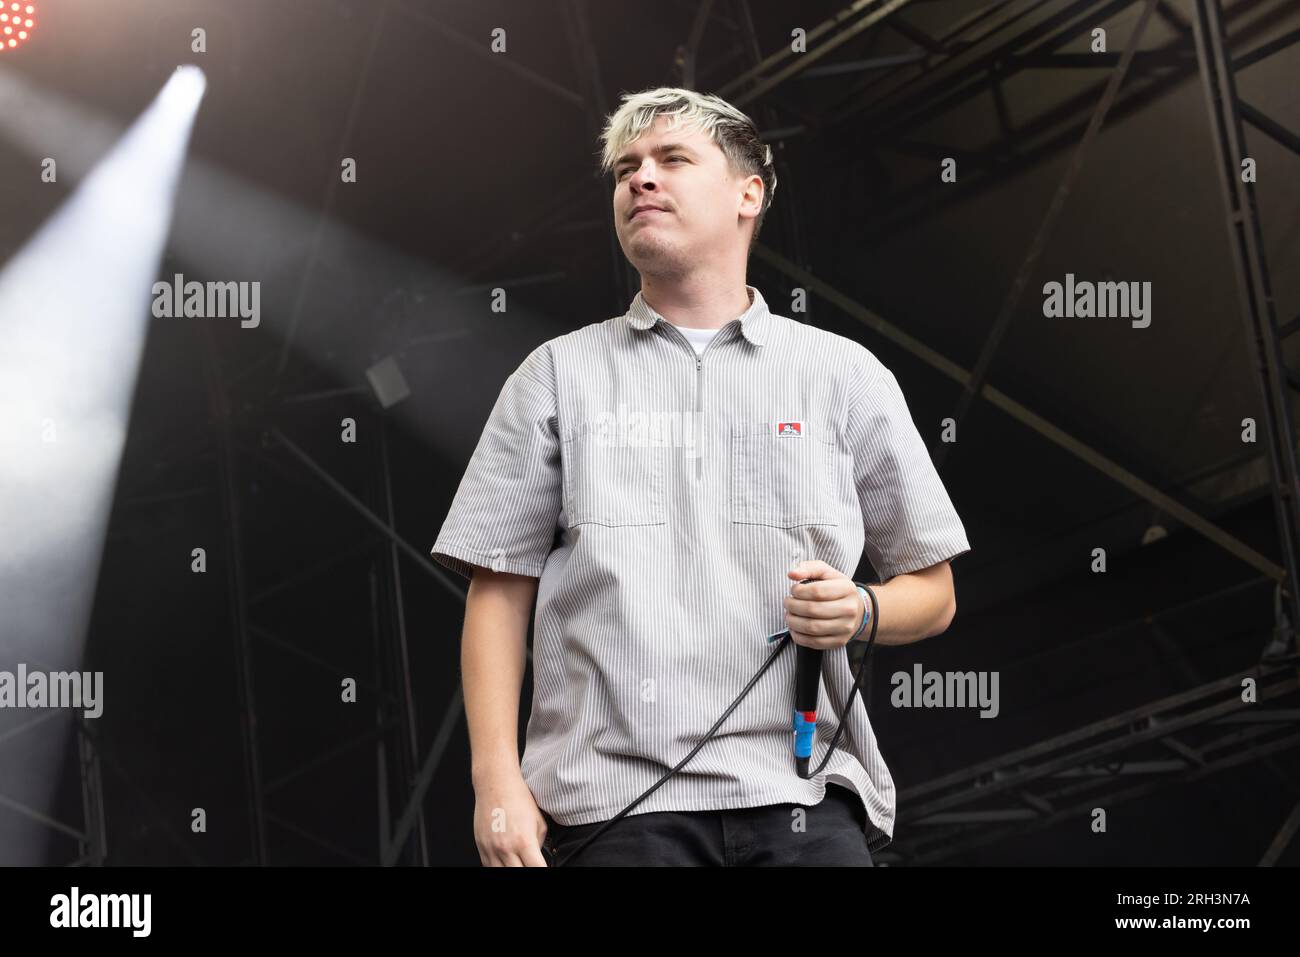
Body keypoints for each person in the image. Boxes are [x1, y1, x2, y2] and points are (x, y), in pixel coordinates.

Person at [431, 87, 971, 866]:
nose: (640, 180)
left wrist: (859, 608)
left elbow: (936, 590)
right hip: (609, 808)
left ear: (749, 193)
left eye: (672, 159)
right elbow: (498, 589)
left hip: (805, 798)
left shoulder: (842, 374)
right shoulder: (555, 375)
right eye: (626, 168)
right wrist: (495, 782)